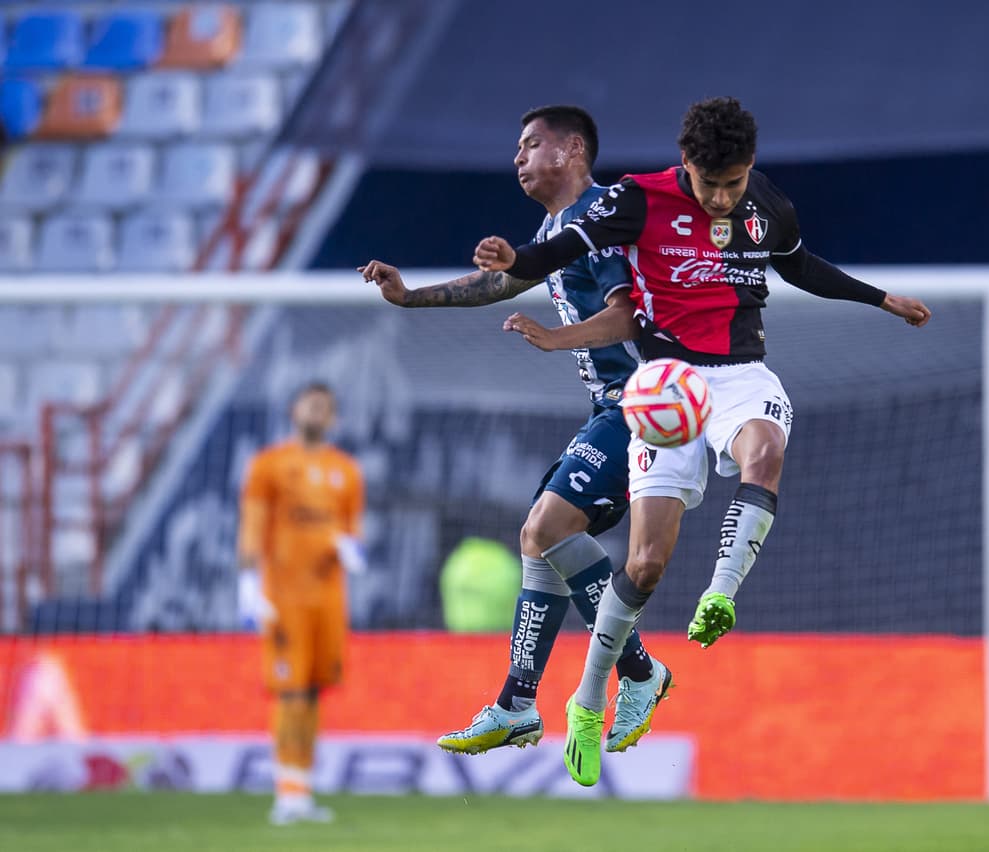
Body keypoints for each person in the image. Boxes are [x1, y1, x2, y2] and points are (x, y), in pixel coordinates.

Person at [479, 96, 932, 786]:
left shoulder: (766, 203)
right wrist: (519, 258)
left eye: (735, 182)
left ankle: (721, 594)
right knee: (646, 564)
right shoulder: (640, 199)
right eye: (709, 183)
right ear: (684, 163)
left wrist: (879, 298)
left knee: (767, 451)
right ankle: (590, 695)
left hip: (743, 376)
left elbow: (800, 265)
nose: (722, 198)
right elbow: (567, 245)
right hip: (666, 388)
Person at [357, 105, 671, 759]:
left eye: (530, 146)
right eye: (516, 151)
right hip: (612, 407)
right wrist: (410, 296)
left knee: (545, 529)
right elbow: (501, 281)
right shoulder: (557, 227)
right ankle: (520, 705)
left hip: (647, 402)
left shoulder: (604, 215)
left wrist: (555, 339)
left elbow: (626, 317)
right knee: (541, 540)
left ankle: (636, 674)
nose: (518, 160)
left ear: (572, 149)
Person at [237, 381, 366, 824]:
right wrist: (249, 584)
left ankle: (302, 790)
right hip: (284, 595)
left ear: (333, 419)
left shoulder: (346, 471)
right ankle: (285, 792)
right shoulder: (268, 465)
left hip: (328, 598)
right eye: (310, 404)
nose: (316, 412)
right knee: (289, 693)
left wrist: (350, 549)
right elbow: (252, 527)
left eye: (324, 407)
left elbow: (353, 533)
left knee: (312, 693)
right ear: (294, 411)